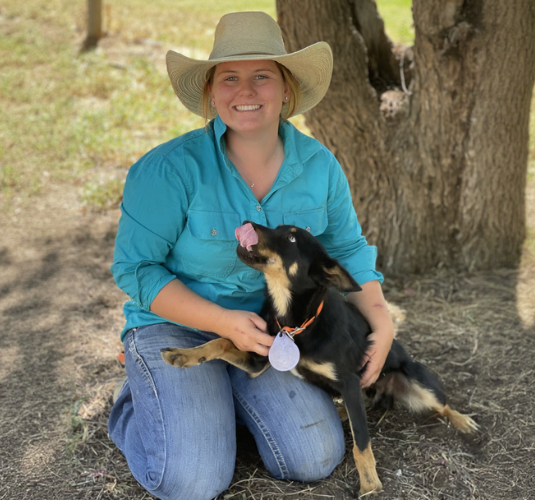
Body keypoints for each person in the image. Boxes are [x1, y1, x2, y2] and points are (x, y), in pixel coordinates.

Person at [108, 11, 395, 500]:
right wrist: (221, 320)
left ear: (286, 89)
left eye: (262, 76)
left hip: (273, 330)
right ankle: (135, 404)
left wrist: (382, 320)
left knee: (315, 457)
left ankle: (219, 398)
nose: (247, 91)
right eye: (230, 77)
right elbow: (135, 269)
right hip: (178, 322)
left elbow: (345, 247)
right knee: (193, 481)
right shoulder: (168, 170)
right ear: (211, 92)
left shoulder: (319, 165)